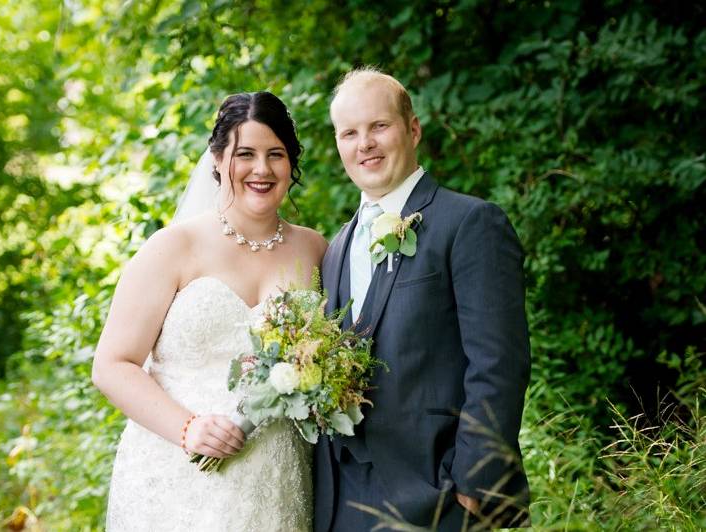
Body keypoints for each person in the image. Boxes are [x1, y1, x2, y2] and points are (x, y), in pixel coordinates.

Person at [92, 91, 326, 531]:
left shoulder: (314, 249)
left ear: (291, 163)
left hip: (276, 479)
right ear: (217, 159)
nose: (261, 169)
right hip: (178, 473)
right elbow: (111, 365)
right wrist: (188, 429)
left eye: (275, 154)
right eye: (245, 154)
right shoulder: (172, 247)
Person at [314, 67, 531, 531]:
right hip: (341, 505)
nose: (364, 143)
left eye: (379, 126)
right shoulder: (333, 250)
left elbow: (499, 363)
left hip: (440, 498)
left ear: (412, 129)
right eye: (349, 133)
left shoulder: (470, 223)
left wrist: (472, 486)